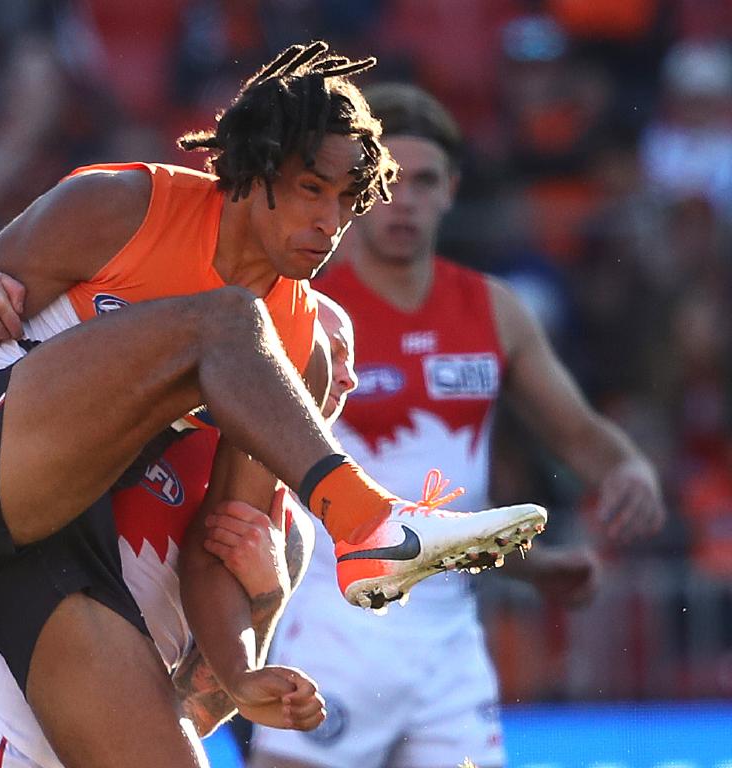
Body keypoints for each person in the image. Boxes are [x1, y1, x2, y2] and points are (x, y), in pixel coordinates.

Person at [0, 44, 545, 768]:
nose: (329, 226)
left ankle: (367, 531)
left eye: (347, 202)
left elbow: (215, 548)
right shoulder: (123, 206)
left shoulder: (286, 355)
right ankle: (371, 526)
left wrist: (241, 673)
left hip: (53, 552)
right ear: (256, 166)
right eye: (310, 192)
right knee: (228, 319)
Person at [249, 83, 666, 768]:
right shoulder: (304, 310)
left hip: (449, 642)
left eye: (425, 182)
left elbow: (580, 435)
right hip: (330, 621)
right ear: (356, 190)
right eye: (387, 182)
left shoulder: (493, 310)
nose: (404, 200)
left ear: (452, 190)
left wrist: (627, 469)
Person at [0, 290, 359, 768]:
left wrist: (266, 595)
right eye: (330, 352)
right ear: (269, 347)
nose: (347, 377)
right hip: (3, 741)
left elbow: (198, 712)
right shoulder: (147, 417)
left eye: (353, 360)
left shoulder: (289, 530)